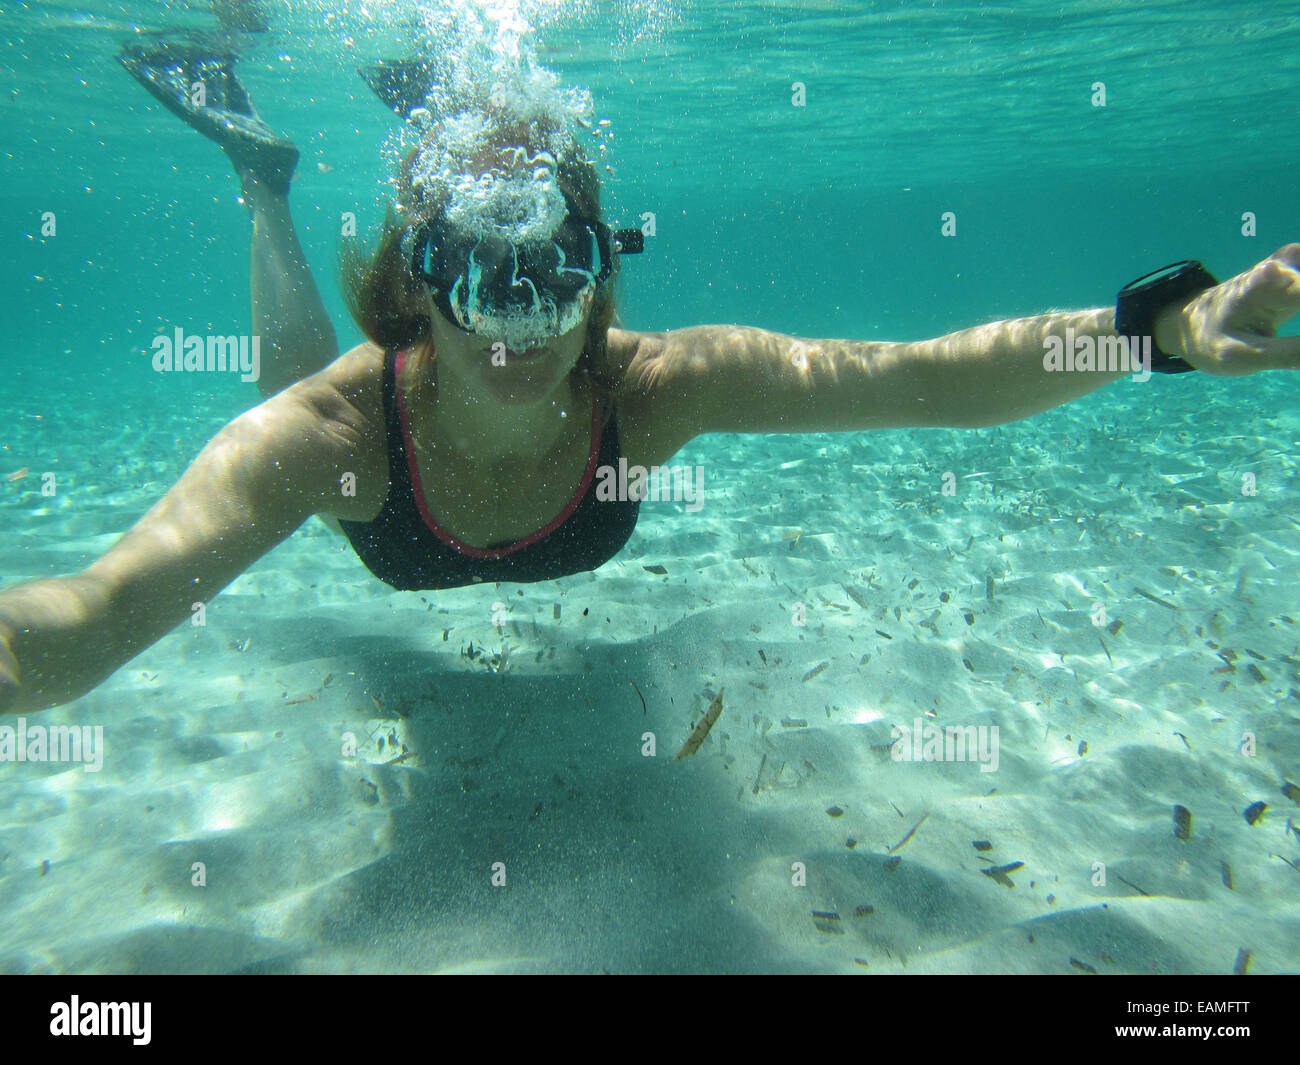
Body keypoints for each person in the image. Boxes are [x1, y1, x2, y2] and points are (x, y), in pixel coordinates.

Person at [1, 36, 1298, 716]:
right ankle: (260, 178)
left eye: (549, 269)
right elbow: (95, 616)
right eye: (474, 269)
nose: (514, 319)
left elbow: (922, 378)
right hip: (363, 472)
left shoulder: (659, 385)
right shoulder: (328, 433)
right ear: (418, 285)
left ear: (598, 272)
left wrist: (1162, 331)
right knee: (282, 379)